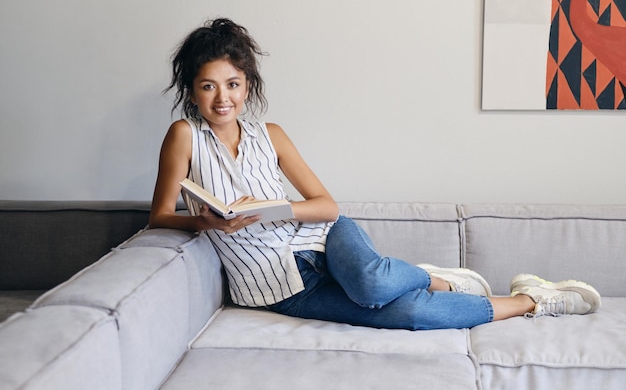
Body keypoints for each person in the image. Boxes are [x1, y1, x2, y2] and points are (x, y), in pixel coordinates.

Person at [149, 18, 601, 330]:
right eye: (209, 86)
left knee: (374, 283)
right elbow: (160, 216)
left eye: (233, 84)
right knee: (407, 315)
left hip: (323, 242)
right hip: (278, 289)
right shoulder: (184, 136)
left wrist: (272, 211)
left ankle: (426, 276)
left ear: (248, 86)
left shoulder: (271, 134)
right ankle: (532, 300)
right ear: (192, 88)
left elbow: (327, 207)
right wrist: (206, 222)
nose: (222, 98)